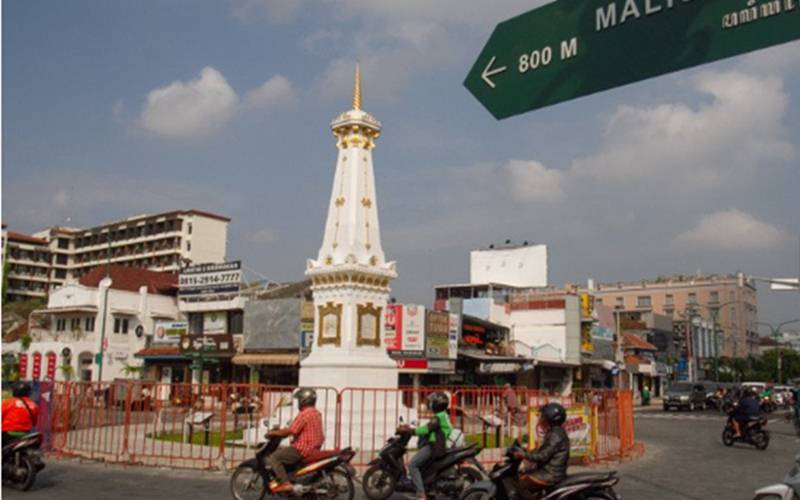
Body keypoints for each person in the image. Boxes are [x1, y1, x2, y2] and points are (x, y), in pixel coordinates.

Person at [266, 388, 324, 494]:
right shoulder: (316, 413)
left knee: (275, 457)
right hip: (314, 447)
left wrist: (273, 433)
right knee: (285, 453)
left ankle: (285, 483)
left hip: (303, 448)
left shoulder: (305, 414)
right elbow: (297, 429)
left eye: (299, 400)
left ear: (304, 400)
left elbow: (291, 430)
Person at [400, 392, 453, 500]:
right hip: (437, 444)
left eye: (432, 402)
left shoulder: (438, 417)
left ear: (437, 404)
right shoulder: (442, 415)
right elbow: (428, 427)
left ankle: (421, 494)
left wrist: (411, 430)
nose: (430, 404)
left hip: (434, 446)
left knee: (412, 465)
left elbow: (426, 429)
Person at [514, 402, 570, 500]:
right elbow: (543, 451)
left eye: (543, 416)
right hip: (548, 471)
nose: (541, 419)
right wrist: (527, 451)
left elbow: (542, 456)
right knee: (523, 474)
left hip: (550, 474)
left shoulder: (555, 435)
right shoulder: (555, 432)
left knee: (521, 486)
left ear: (550, 419)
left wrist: (524, 455)